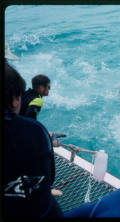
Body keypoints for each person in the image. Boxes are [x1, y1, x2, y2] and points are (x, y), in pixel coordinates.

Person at [3, 62, 63, 218]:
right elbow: (30, 119)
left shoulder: (29, 94)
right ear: (15, 99)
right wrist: (42, 136)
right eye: (48, 87)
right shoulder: (37, 103)